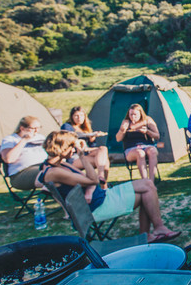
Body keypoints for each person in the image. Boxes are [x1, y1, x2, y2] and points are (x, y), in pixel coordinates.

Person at [37, 130, 180, 243]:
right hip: (97, 207)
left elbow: (90, 180)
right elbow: (92, 180)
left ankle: (151, 232)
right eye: (72, 147)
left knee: (148, 185)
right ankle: (153, 231)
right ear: (63, 149)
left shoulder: (58, 165)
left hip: (100, 197)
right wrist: (82, 156)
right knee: (147, 191)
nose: (74, 150)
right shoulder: (56, 172)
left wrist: (89, 172)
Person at [61, 106, 110, 187]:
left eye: (81, 115)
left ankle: (101, 178)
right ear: (72, 117)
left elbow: (92, 146)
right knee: (104, 161)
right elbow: (72, 135)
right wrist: (90, 134)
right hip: (74, 158)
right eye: (76, 116)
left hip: (86, 154)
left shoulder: (85, 128)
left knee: (103, 149)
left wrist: (92, 139)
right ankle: (103, 185)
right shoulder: (67, 126)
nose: (79, 118)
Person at [0, 116, 48, 190]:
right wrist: (24, 140)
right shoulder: (10, 140)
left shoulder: (40, 137)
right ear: (22, 128)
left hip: (43, 166)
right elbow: (8, 159)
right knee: (52, 173)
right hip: (22, 173)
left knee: (62, 170)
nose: (36, 131)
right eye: (33, 128)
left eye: (39, 127)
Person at [115, 104, 160, 182]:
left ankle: (151, 181)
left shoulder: (147, 120)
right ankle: (145, 180)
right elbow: (118, 139)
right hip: (131, 148)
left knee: (152, 151)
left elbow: (157, 136)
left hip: (147, 145)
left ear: (140, 114)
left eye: (135, 114)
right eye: (131, 114)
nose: (133, 117)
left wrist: (147, 131)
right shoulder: (126, 122)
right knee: (140, 153)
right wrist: (122, 130)